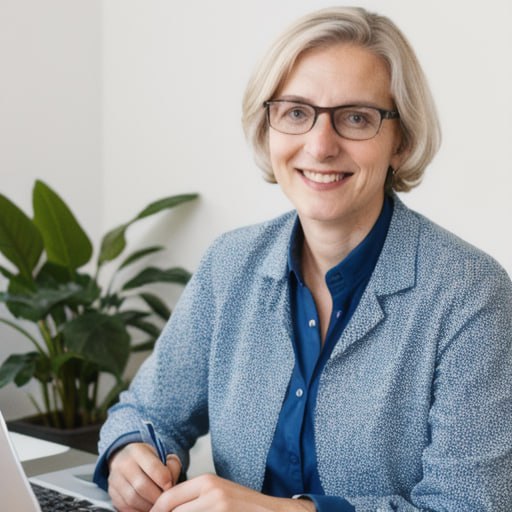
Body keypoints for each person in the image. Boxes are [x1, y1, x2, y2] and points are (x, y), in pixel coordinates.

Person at [93, 6, 512, 511]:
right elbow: (145, 410)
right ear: (268, 128)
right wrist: (131, 454)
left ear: (400, 141)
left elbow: (470, 505)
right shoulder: (231, 264)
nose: (319, 144)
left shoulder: (471, 294)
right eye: (296, 112)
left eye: (356, 117)